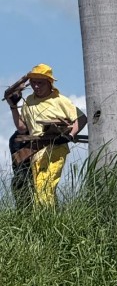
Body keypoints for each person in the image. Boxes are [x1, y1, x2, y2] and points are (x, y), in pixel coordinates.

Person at [8, 64, 82, 207]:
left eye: (40, 83)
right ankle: (49, 221)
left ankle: (47, 220)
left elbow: (81, 118)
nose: (36, 86)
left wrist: (71, 135)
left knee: (44, 188)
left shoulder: (60, 100)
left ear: (49, 83)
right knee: (40, 190)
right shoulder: (29, 101)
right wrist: (13, 106)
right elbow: (23, 129)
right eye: (33, 83)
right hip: (36, 151)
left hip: (56, 148)